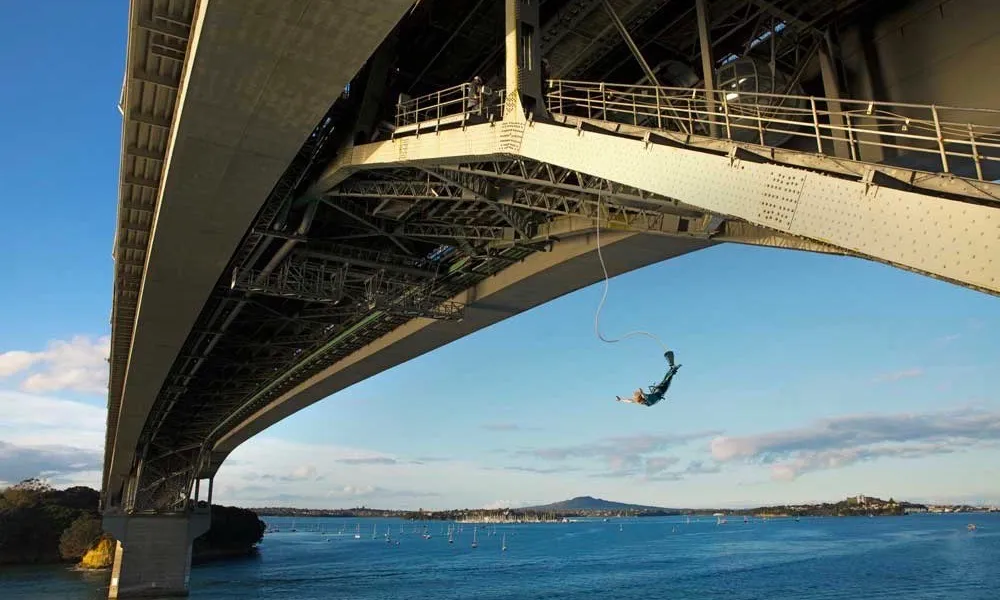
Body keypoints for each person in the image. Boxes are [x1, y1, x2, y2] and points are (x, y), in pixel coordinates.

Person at [615, 351, 681, 407]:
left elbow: (630, 400)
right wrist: (642, 392)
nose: (641, 403)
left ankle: (672, 368)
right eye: (641, 402)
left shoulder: (642, 400)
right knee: (667, 380)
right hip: (661, 391)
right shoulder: (647, 400)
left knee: (665, 378)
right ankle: (673, 368)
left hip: (657, 390)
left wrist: (621, 399)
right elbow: (644, 397)